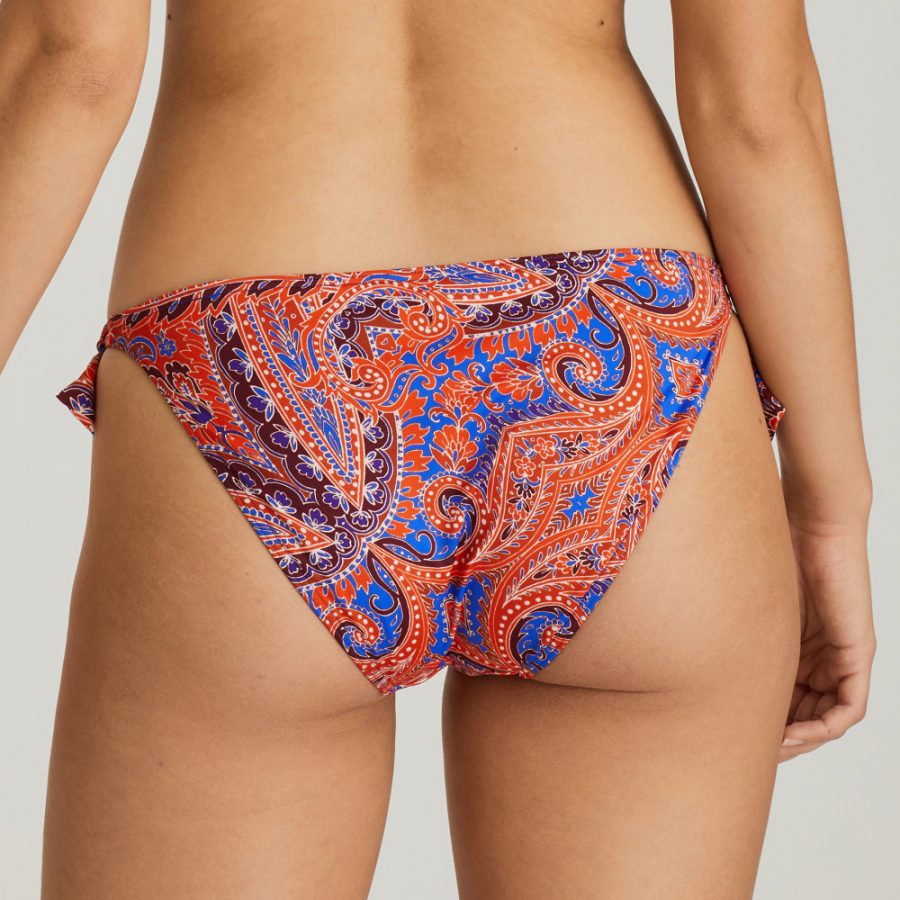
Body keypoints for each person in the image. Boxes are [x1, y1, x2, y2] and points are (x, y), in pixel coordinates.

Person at [1, 0, 875, 897]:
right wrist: (830, 509)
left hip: (265, 350)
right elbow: (757, 112)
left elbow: (70, 61)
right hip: (622, 344)